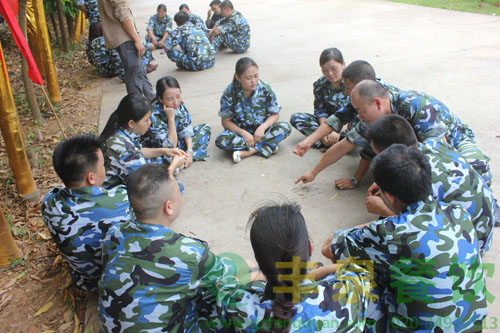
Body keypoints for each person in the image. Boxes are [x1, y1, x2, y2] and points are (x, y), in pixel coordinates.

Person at [322, 144, 488, 332]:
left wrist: (386, 219)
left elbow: (329, 247)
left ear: (390, 197)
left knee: (348, 278)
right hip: (473, 327)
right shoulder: (459, 214)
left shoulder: (390, 233)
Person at [98, 163, 248, 332]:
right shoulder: (191, 253)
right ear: (169, 206)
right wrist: (257, 269)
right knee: (231, 295)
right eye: (178, 191)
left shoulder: (114, 233)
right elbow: (229, 273)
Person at [214, 200, 377, 332]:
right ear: (310, 247)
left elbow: (224, 284)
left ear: (260, 260)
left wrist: (259, 273)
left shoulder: (237, 303)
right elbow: (357, 267)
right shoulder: (350, 293)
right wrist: (313, 274)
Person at [365, 114, 495, 256]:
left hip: (468, 246)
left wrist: (383, 210)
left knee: (380, 253)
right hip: (482, 226)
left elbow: (417, 227)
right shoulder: (435, 144)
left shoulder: (419, 181)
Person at [350, 79, 492, 186]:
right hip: (418, 150)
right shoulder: (374, 118)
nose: (360, 117)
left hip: (454, 141)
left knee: (478, 171)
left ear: (377, 103)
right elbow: (368, 150)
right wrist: (356, 179)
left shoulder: (414, 103)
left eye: (360, 110)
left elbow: (440, 149)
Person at [41, 134, 131, 292]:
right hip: (117, 281)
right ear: (91, 177)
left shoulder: (49, 202)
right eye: (103, 165)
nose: (105, 169)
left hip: (84, 281)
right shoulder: (121, 200)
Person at [294, 61, 399, 190]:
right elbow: (339, 124)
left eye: (348, 87)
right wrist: (312, 167)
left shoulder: (408, 106)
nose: (346, 91)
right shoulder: (364, 102)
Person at [99, 94, 187, 189]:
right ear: (131, 123)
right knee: (175, 187)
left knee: (160, 162)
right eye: (146, 120)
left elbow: (138, 151)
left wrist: (165, 151)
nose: (149, 122)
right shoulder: (123, 147)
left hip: (125, 177)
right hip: (115, 190)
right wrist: (175, 165)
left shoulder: (121, 130)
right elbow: (150, 185)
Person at [215, 57, 291, 163]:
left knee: (285, 127)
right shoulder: (230, 93)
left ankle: (249, 152)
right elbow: (225, 122)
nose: (254, 81)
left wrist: (262, 128)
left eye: (256, 76)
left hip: (263, 131)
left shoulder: (265, 88)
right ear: (238, 77)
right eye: (248, 78)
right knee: (221, 140)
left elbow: (275, 114)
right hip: (241, 133)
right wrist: (243, 133)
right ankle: (268, 145)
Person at [144, 76, 211, 169]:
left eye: (178, 96)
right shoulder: (153, 115)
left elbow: (186, 128)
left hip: (179, 142)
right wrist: (171, 118)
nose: (176, 102)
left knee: (205, 129)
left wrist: (190, 152)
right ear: (160, 99)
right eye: (170, 99)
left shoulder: (179, 104)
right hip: (164, 150)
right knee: (159, 161)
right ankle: (178, 161)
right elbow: (170, 146)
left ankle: (183, 159)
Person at [289, 48, 347, 149]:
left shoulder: (353, 82)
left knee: (363, 128)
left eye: (334, 68)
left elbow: (358, 115)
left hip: (347, 125)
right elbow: (320, 111)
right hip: (328, 123)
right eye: (324, 70)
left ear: (343, 64)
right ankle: (331, 143)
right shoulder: (320, 84)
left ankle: (331, 142)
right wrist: (324, 131)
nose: (330, 73)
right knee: (297, 118)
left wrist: (338, 130)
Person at [97, 0, 155, 101]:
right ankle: (137, 108)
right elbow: (123, 14)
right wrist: (136, 39)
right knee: (134, 74)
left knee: (139, 70)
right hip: (125, 36)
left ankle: (152, 99)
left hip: (122, 36)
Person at [86, 23, 156, 79]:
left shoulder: (89, 43)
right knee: (141, 50)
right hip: (111, 71)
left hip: (100, 70)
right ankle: (144, 67)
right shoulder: (106, 40)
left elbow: (90, 60)